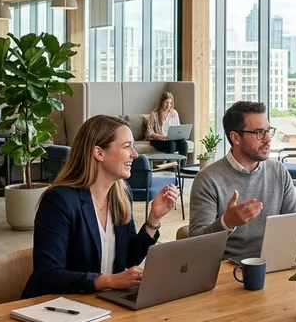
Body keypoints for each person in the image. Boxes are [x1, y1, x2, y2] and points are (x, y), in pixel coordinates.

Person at [21, 115, 179, 298]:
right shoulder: (59, 201)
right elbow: (48, 275)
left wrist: (154, 219)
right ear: (99, 153)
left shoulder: (121, 195)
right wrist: (109, 281)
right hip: (57, 306)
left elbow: (128, 258)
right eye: (127, 146)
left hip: (102, 303)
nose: (135, 154)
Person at [189, 101, 296, 257]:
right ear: (235, 137)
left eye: (268, 131)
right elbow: (196, 243)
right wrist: (227, 222)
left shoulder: (278, 171)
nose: (268, 139)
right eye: (259, 133)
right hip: (227, 266)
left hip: (273, 259)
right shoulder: (208, 179)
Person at [146, 92, 187, 157]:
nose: (168, 106)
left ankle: (182, 166)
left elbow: (178, 127)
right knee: (171, 144)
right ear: (162, 102)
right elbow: (149, 131)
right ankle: (170, 165)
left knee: (184, 143)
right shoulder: (154, 114)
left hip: (171, 139)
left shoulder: (174, 113)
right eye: (166, 103)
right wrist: (160, 136)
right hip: (158, 140)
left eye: (170, 103)